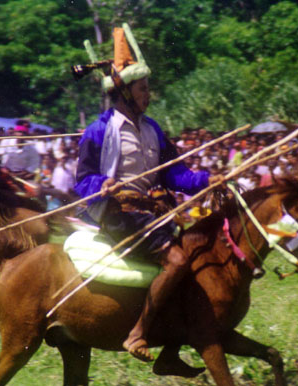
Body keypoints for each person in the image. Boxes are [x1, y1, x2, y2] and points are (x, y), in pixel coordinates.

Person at [73, 24, 221, 362]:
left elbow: (174, 173)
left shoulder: (152, 128)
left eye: (147, 88)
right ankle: (136, 334)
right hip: (117, 214)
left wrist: (206, 180)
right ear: (124, 92)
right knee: (177, 260)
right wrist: (102, 186)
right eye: (142, 88)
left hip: (151, 213)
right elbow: (82, 182)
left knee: (196, 258)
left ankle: (171, 347)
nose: (148, 94)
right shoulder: (99, 131)